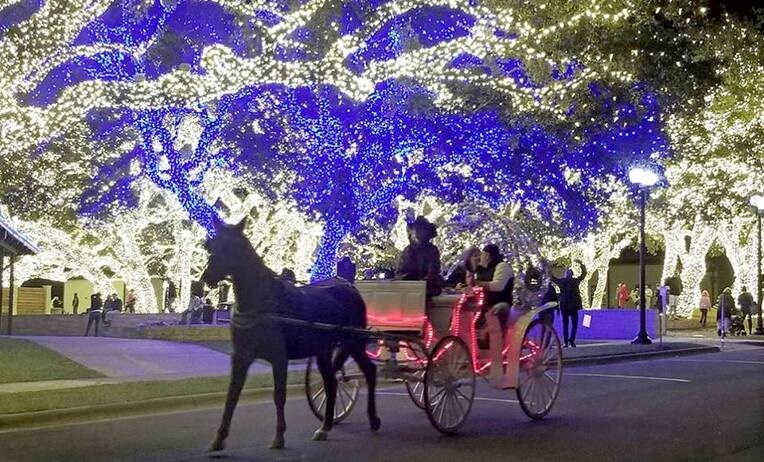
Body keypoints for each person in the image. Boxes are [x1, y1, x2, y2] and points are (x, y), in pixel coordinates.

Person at [395, 215, 443, 297]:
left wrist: (423, 284)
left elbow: (433, 272)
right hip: (409, 290)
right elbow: (400, 273)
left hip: (427, 289)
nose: (418, 232)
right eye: (416, 229)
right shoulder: (407, 251)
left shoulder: (432, 250)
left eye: (422, 229)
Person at [551, 260, 587, 347]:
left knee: (565, 324)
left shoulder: (562, 282)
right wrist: (581, 264)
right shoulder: (575, 281)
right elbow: (583, 274)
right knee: (574, 324)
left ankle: (566, 342)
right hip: (573, 306)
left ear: (565, 274)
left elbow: (553, 278)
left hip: (564, 306)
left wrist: (550, 266)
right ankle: (572, 340)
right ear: (572, 275)